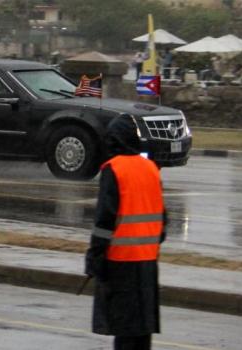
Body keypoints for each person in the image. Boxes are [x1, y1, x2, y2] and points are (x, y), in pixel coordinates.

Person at [85, 115, 168, 350]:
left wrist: (95, 257)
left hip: (121, 262)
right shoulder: (151, 168)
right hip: (148, 262)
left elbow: (105, 221)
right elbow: (162, 220)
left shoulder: (114, 169)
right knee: (143, 328)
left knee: (124, 330)